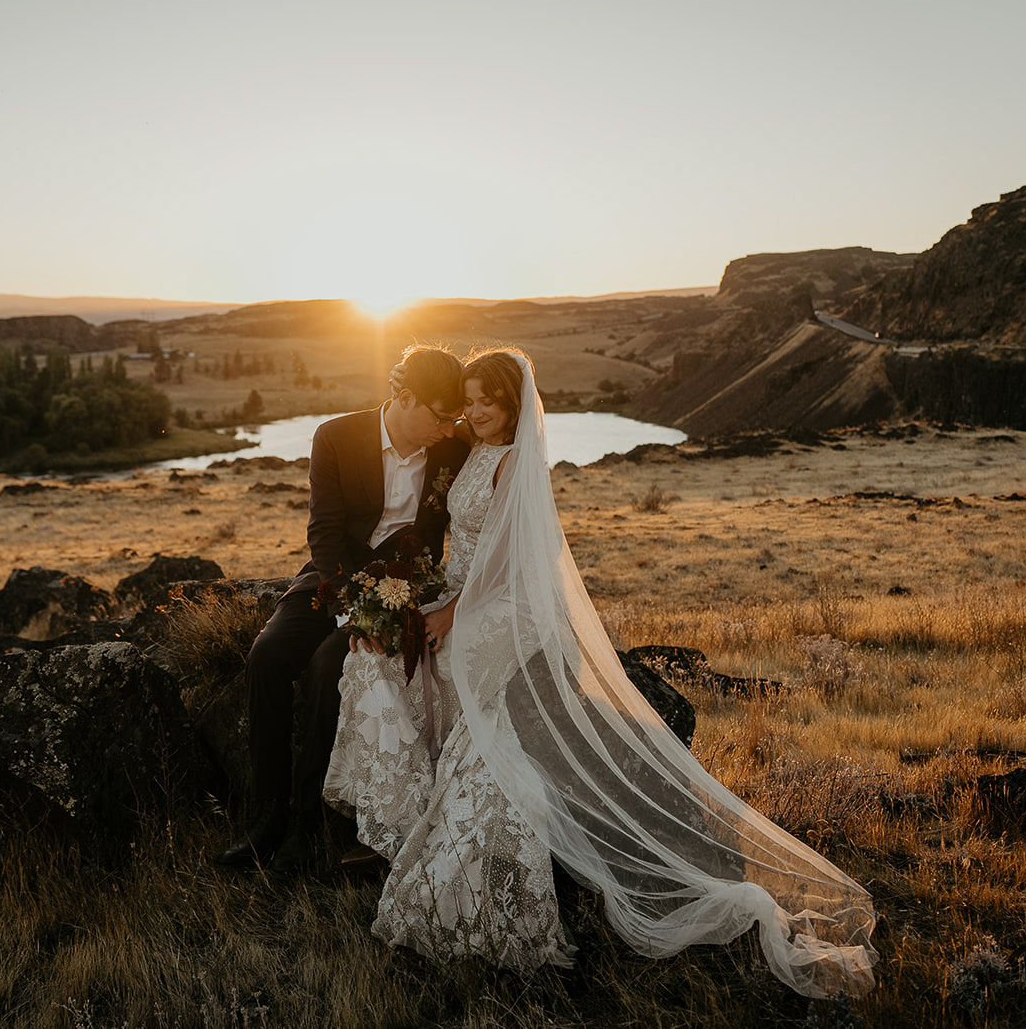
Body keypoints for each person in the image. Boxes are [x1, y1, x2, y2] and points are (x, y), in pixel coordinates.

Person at [323, 348, 878, 997]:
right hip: (461, 594)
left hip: (502, 607)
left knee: (477, 720)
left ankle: (476, 868)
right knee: (379, 661)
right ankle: (393, 811)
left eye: (487, 401)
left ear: (514, 405)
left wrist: (453, 612)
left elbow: (513, 567)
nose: (473, 411)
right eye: (468, 399)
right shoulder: (466, 451)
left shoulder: (511, 465)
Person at [216, 345, 470, 878]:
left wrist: (392, 606)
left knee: (331, 666)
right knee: (268, 654)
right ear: (404, 396)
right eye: (441, 417)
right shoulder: (335, 436)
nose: (448, 430)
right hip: (333, 581)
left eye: (455, 419)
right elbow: (324, 534)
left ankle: (306, 826)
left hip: (405, 591)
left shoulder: (453, 451)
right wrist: (350, 607)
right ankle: (266, 817)